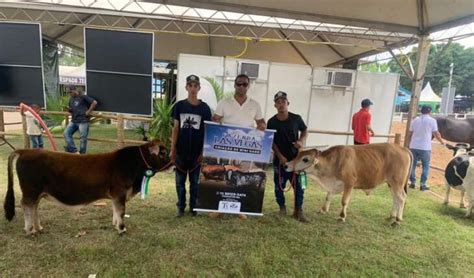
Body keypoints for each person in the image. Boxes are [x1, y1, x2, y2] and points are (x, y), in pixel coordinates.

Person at [211, 74, 266, 220]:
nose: (241, 87)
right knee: (226, 176)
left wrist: (262, 125)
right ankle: (220, 209)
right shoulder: (224, 102)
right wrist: (214, 124)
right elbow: (215, 119)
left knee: (243, 176)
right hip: (227, 147)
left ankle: (239, 209)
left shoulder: (255, 104)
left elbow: (261, 122)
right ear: (234, 85)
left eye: (244, 84)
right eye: (239, 84)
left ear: (248, 86)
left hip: (246, 148)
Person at [170, 75, 212, 217]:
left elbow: (207, 131)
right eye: (190, 85)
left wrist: (203, 152)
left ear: (199, 88)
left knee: (195, 183)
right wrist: (172, 149)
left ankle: (194, 208)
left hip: (196, 153)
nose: (193, 88)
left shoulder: (205, 109)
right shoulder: (179, 106)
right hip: (181, 152)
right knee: (179, 183)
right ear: (186, 88)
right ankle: (180, 207)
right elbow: (175, 129)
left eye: (195, 86)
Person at [267, 91, 309, 222]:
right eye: (278, 102)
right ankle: (282, 208)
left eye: (283, 102)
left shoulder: (296, 118)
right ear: (275, 105)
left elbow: (305, 130)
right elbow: (271, 141)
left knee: (300, 186)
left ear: (288, 103)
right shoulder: (271, 122)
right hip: (280, 161)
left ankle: (298, 211)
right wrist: (279, 156)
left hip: (297, 161)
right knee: (278, 186)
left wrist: (301, 141)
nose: (281, 105)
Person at [407, 105, 445, 191]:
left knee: (412, 165)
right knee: (426, 166)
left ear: (421, 111)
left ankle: (412, 182)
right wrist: (442, 142)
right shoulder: (432, 121)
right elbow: (436, 133)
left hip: (413, 145)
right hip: (425, 147)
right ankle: (422, 184)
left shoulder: (415, 120)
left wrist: (408, 143)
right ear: (430, 112)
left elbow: (410, 133)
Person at [64, 85, 97, 154]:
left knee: (83, 139)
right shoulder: (71, 99)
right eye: (68, 93)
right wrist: (69, 110)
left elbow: (94, 102)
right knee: (66, 133)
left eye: (70, 92)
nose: (70, 94)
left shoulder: (82, 96)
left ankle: (82, 154)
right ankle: (74, 150)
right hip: (74, 121)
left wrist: (88, 111)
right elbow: (72, 110)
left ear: (74, 90)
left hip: (83, 121)